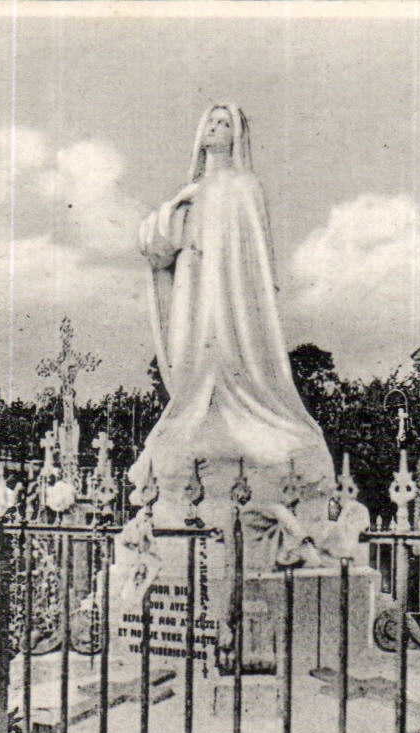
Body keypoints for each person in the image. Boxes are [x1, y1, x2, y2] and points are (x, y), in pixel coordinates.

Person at [130, 105, 332, 495]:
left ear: (236, 137)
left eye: (225, 124)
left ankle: (242, 399)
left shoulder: (244, 186)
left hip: (233, 295)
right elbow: (157, 246)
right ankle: (200, 404)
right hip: (196, 286)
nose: (216, 129)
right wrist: (177, 206)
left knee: (229, 342)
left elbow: (255, 256)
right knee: (196, 347)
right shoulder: (191, 192)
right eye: (211, 122)